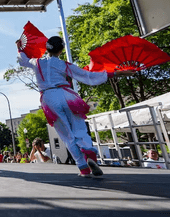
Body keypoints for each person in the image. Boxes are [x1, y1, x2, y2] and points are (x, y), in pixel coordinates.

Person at [17, 36, 135, 177]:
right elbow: (88, 76)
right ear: (61, 50)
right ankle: (90, 153)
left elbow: (23, 61)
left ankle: (83, 167)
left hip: (49, 98)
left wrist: (19, 47)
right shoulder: (63, 65)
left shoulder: (37, 62)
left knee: (66, 134)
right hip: (67, 94)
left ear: (47, 48)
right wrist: (116, 73)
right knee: (79, 127)